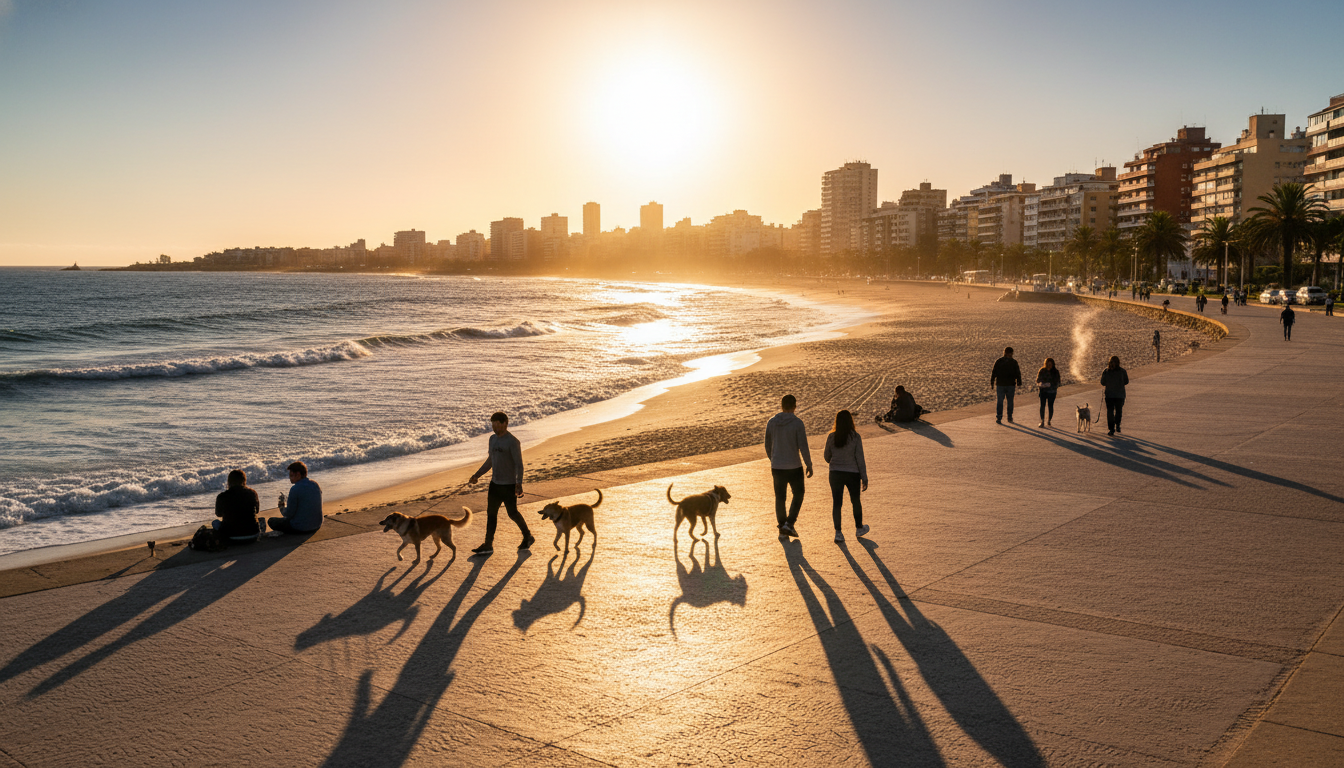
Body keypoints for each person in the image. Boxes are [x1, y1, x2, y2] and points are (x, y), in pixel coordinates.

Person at [468, 411, 534, 555]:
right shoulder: (492, 439)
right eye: (493, 425)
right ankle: (488, 544)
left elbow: (519, 464)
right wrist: (477, 475)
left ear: (505, 424)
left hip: (509, 485)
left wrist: (519, 483)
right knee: (491, 514)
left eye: (497, 425)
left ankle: (528, 536)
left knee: (512, 513)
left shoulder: (513, 442)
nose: (495, 428)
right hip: (495, 484)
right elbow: (490, 461)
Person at [765, 394, 812, 539]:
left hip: (777, 466)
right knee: (798, 493)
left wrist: (773, 458)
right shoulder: (797, 423)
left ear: (781, 405)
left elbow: (767, 444)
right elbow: (803, 446)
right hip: (794, 465)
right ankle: (789, 524)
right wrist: (808, 464)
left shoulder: (772, 422)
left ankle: (782, 527)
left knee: (780, 497)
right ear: (794, 406)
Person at [823, 410, 869, 543]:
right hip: (852, 473)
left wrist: (836, 458)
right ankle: (859, 528)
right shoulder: (855, 437)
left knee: (837, 503)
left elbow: (826, 457)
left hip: (835, 473)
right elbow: (860, 458)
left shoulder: (832, 437)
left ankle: (838, 532)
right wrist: (864, 477)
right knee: (855, 501)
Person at [269, 461, 323, 535]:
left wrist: (281, 506)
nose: (289, 478)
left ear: (298, 474)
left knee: (271, 521)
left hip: (301, 527)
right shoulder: (315, 484)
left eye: (291, 475)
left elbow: (288, 514)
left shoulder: (295, 489)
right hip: (317, 525)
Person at [214, 469, 261, 543]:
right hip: (253, 535)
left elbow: (218, 514)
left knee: (215, 522)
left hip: (230, 537)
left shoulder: (222, 496)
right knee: (260, 520)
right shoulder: (252, 493)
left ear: (229, 481)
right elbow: (257, 511)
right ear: (244, 480)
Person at [990, 346, 1022, 424]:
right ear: (1011, 353)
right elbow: (1018, 373)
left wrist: (992, 382)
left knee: (1001, 401)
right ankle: (1008, 417)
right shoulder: (1013, 362)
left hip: (1002, 384)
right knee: (1008, 401)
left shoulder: (1000, 361)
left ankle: (1000, 417)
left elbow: (994, 372)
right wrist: (1019, 381)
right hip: (1008, 384)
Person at [1100, 356, 1129, 436]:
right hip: (1119, 394)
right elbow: (1126, 381)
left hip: (1109, 395)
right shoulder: (1122, 371)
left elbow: (1102, 382)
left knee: (1110, 412)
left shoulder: (1106, 371)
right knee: (1118, 411)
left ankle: (1111, 429)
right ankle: (1117, 425)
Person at [1036, 357, 1060, 428]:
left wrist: (1051, 385)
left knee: (1050, 406)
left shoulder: (1055, 372)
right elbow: (1038, 380)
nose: (1049, 365)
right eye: (1047, 364)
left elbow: (1058, 382)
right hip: (1043, 391)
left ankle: (1049, 420)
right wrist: (1041, 384)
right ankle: (1042, 421)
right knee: (1042, 406)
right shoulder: (1042, 370)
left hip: (1052, 392)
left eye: (1050, 364)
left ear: (1053, 364)